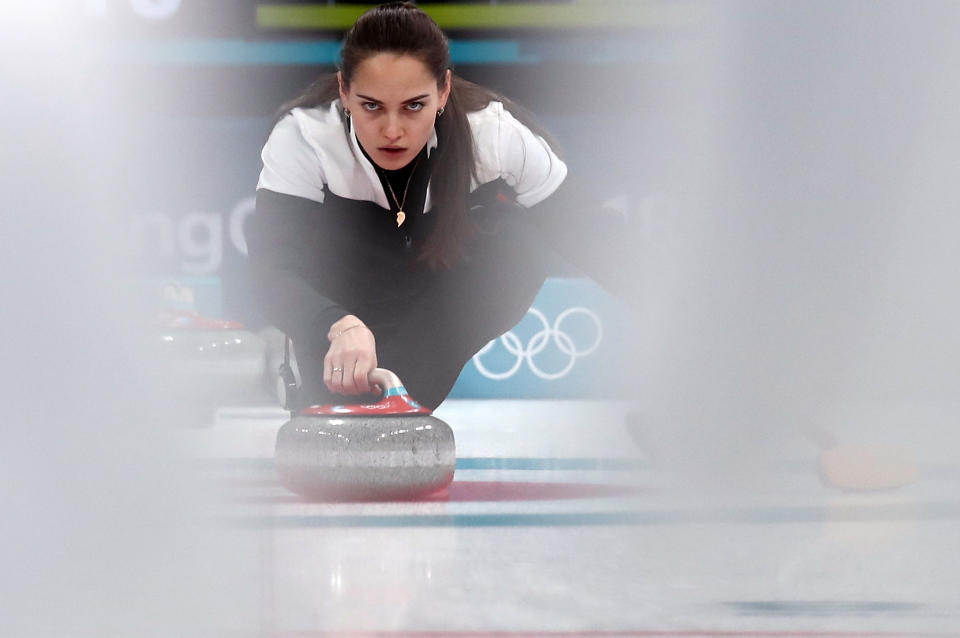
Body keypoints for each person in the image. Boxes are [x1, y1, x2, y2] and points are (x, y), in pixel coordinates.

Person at [247, 1, 622, 410]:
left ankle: (402, 399)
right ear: (344, 91)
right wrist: (334, 325)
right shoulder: (304, 136)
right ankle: (338, 392)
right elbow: (270, 271)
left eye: (414, 106)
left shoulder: (493, 134)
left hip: (433, 301)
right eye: (372, 105)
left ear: (443, 91)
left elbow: (593, 234)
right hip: (339, 310)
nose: (393, 130)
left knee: (523, 243)